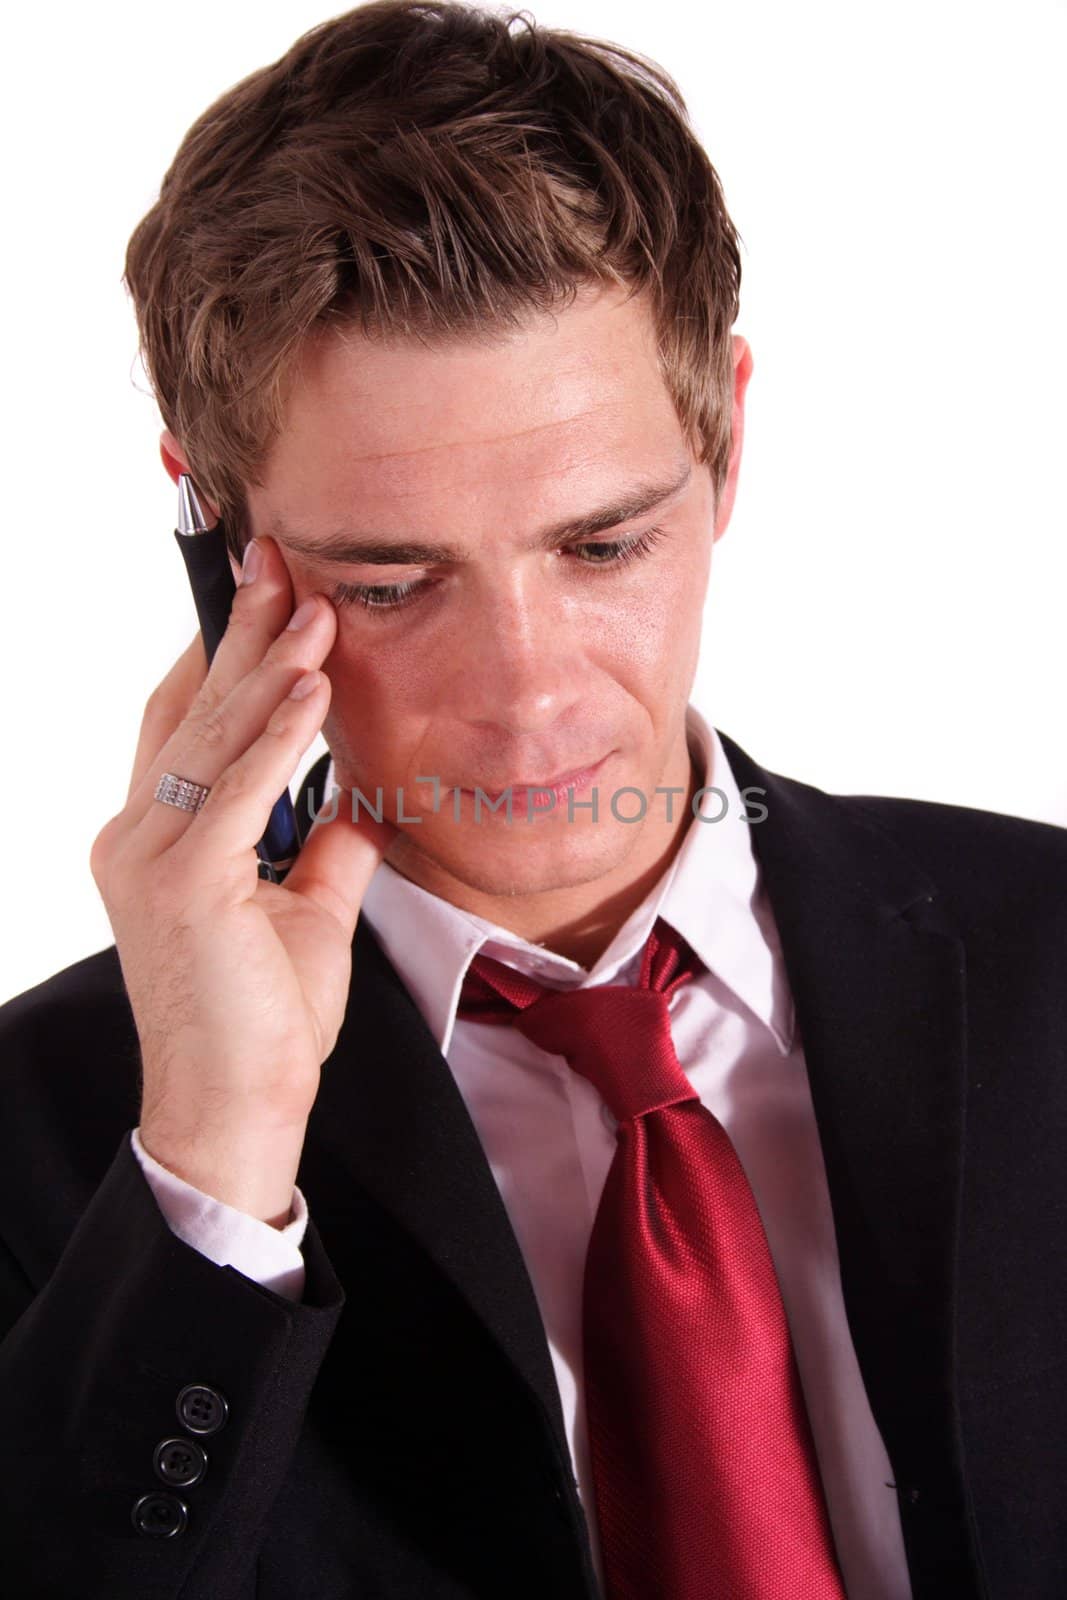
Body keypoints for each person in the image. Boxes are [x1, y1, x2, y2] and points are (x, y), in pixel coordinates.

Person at [0, 1, 1064, 1595]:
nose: (528, 692)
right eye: (389, 580)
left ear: (728, 441)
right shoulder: (59, 1144)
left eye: (604, 546)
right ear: (223, 549)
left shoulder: (1048, 947)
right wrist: (218, 1167)